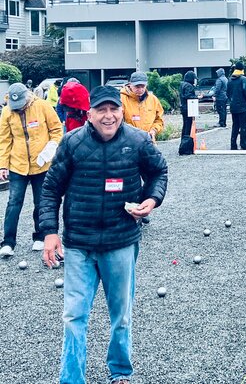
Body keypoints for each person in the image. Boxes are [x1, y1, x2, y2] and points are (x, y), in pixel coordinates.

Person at [38, 86, 168, 384]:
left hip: (120, 241)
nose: (108, 116)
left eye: (114, 109)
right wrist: (49, 232)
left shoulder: (137, 141)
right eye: (101, 110)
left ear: (121, 111)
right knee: (73, 316)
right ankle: (72, 379)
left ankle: (120, 372)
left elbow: (159, 171)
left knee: (121, 316)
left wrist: (152, 199)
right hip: (79, 245)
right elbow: (50, 189)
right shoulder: (72, 142)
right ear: (90, 113)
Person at [0, 83, 63, 258]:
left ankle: (40, 236)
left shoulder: (42, 106)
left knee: (41, 201)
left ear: (28, 98)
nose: (18, 109)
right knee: (13, 202)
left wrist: (51, 148)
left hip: (41, 164)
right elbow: (4, 139)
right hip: (17, 164)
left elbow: (57, 130)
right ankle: (8, 242)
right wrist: (3, 164)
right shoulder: (6, 112)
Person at [120, 71, 164, 142]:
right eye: (137, 87)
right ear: (130, 84)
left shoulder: (153, 99)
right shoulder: (122, 99)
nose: (140, 90)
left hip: (148, 141)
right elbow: (117, 123)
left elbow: (159, 120)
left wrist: (154, 130)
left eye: (143, 86)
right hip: (128, 142)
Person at [227, 61, 246, 150]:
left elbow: (228, 93)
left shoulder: (230, 80)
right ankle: (243, 145)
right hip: (242, 106)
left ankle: (233, 145)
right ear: (242, 69)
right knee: (243, 126)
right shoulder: (243, 79)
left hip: (233, 106)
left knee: (235, 126)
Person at [179, 71, 197, 139]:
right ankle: (187, 140)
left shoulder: (182, 84)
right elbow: (188, 96)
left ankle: (183, 140)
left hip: (183, 107)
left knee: (185, 124)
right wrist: (197, 97)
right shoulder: (188, 85)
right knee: (188, 125)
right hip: (189, 108)